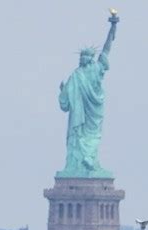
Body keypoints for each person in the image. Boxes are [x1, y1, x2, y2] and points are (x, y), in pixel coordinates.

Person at [58, 15, 118, 175]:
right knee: (85, 136)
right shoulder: (85, 72)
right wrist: (64, 91)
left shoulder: (85, 72)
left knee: (85, 136)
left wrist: (113, 28)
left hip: (87, 114)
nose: (82, 58)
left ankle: (86, 161)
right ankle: (84, 162)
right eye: (81, 56)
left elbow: (107, 49)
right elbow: (107, 49)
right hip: (87, 113)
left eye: (84, 56)